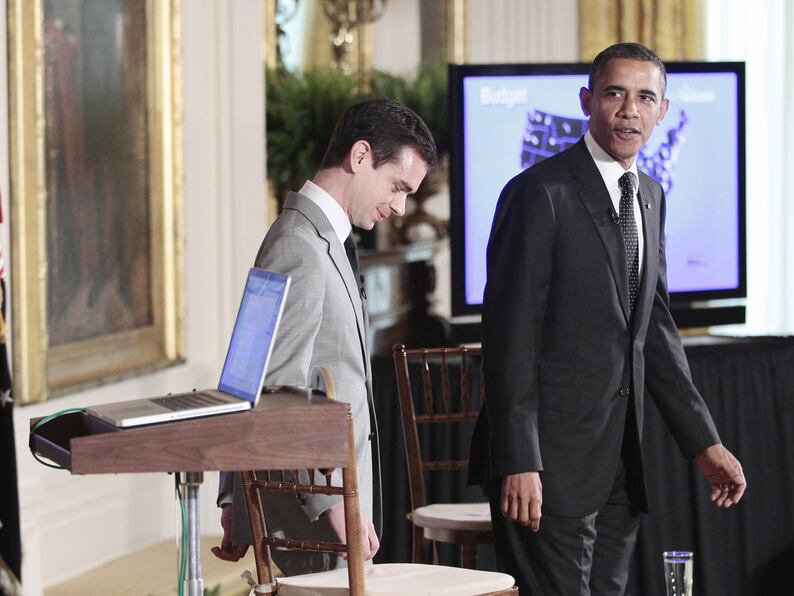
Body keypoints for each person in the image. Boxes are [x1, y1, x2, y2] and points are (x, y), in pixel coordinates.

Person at [468, 43, 747, 595]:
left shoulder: (649, 195)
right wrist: (520, 460)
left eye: (646, 97)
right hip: (546, 468)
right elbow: (509, 338)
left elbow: (654, 333)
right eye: (615, 93)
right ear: (587, 100)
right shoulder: (539, 193)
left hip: (621, 464)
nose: (629, 110)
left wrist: (704, 443)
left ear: (662, 111)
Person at [212, 98, 437, 573]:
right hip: (314, 514)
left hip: (331, 503)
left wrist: (233, 499)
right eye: (397, 187)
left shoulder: (322, 240)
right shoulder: (299, 244)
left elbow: (252, 373)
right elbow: (270, 388)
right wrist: (331, 502)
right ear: (360, 157)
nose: (399, 207)